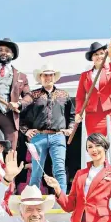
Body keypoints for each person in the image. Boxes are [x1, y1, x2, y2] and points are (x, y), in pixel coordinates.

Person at [18, 63, 75, 193]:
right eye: (45, 75)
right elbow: (21, 113)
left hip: (58, 136)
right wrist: (26, 130)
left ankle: (62, 198)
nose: (48, 77)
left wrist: (70, 129)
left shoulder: (64, 95)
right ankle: (33, 199)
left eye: (50, 75)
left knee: (59, 168)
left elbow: (72, 115)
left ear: (54, 77)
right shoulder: (33, 95)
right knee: (36, 169)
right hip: (38, 136)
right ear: (41, 77)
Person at [75, 40, 111, 136]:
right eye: (96, 54)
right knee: (96, 143)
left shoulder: (110, 69)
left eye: (101, 53)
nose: (99, 56)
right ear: (92, 57)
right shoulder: (85, 75)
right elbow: (80, 97)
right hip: (93, 115)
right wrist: (78, 112)